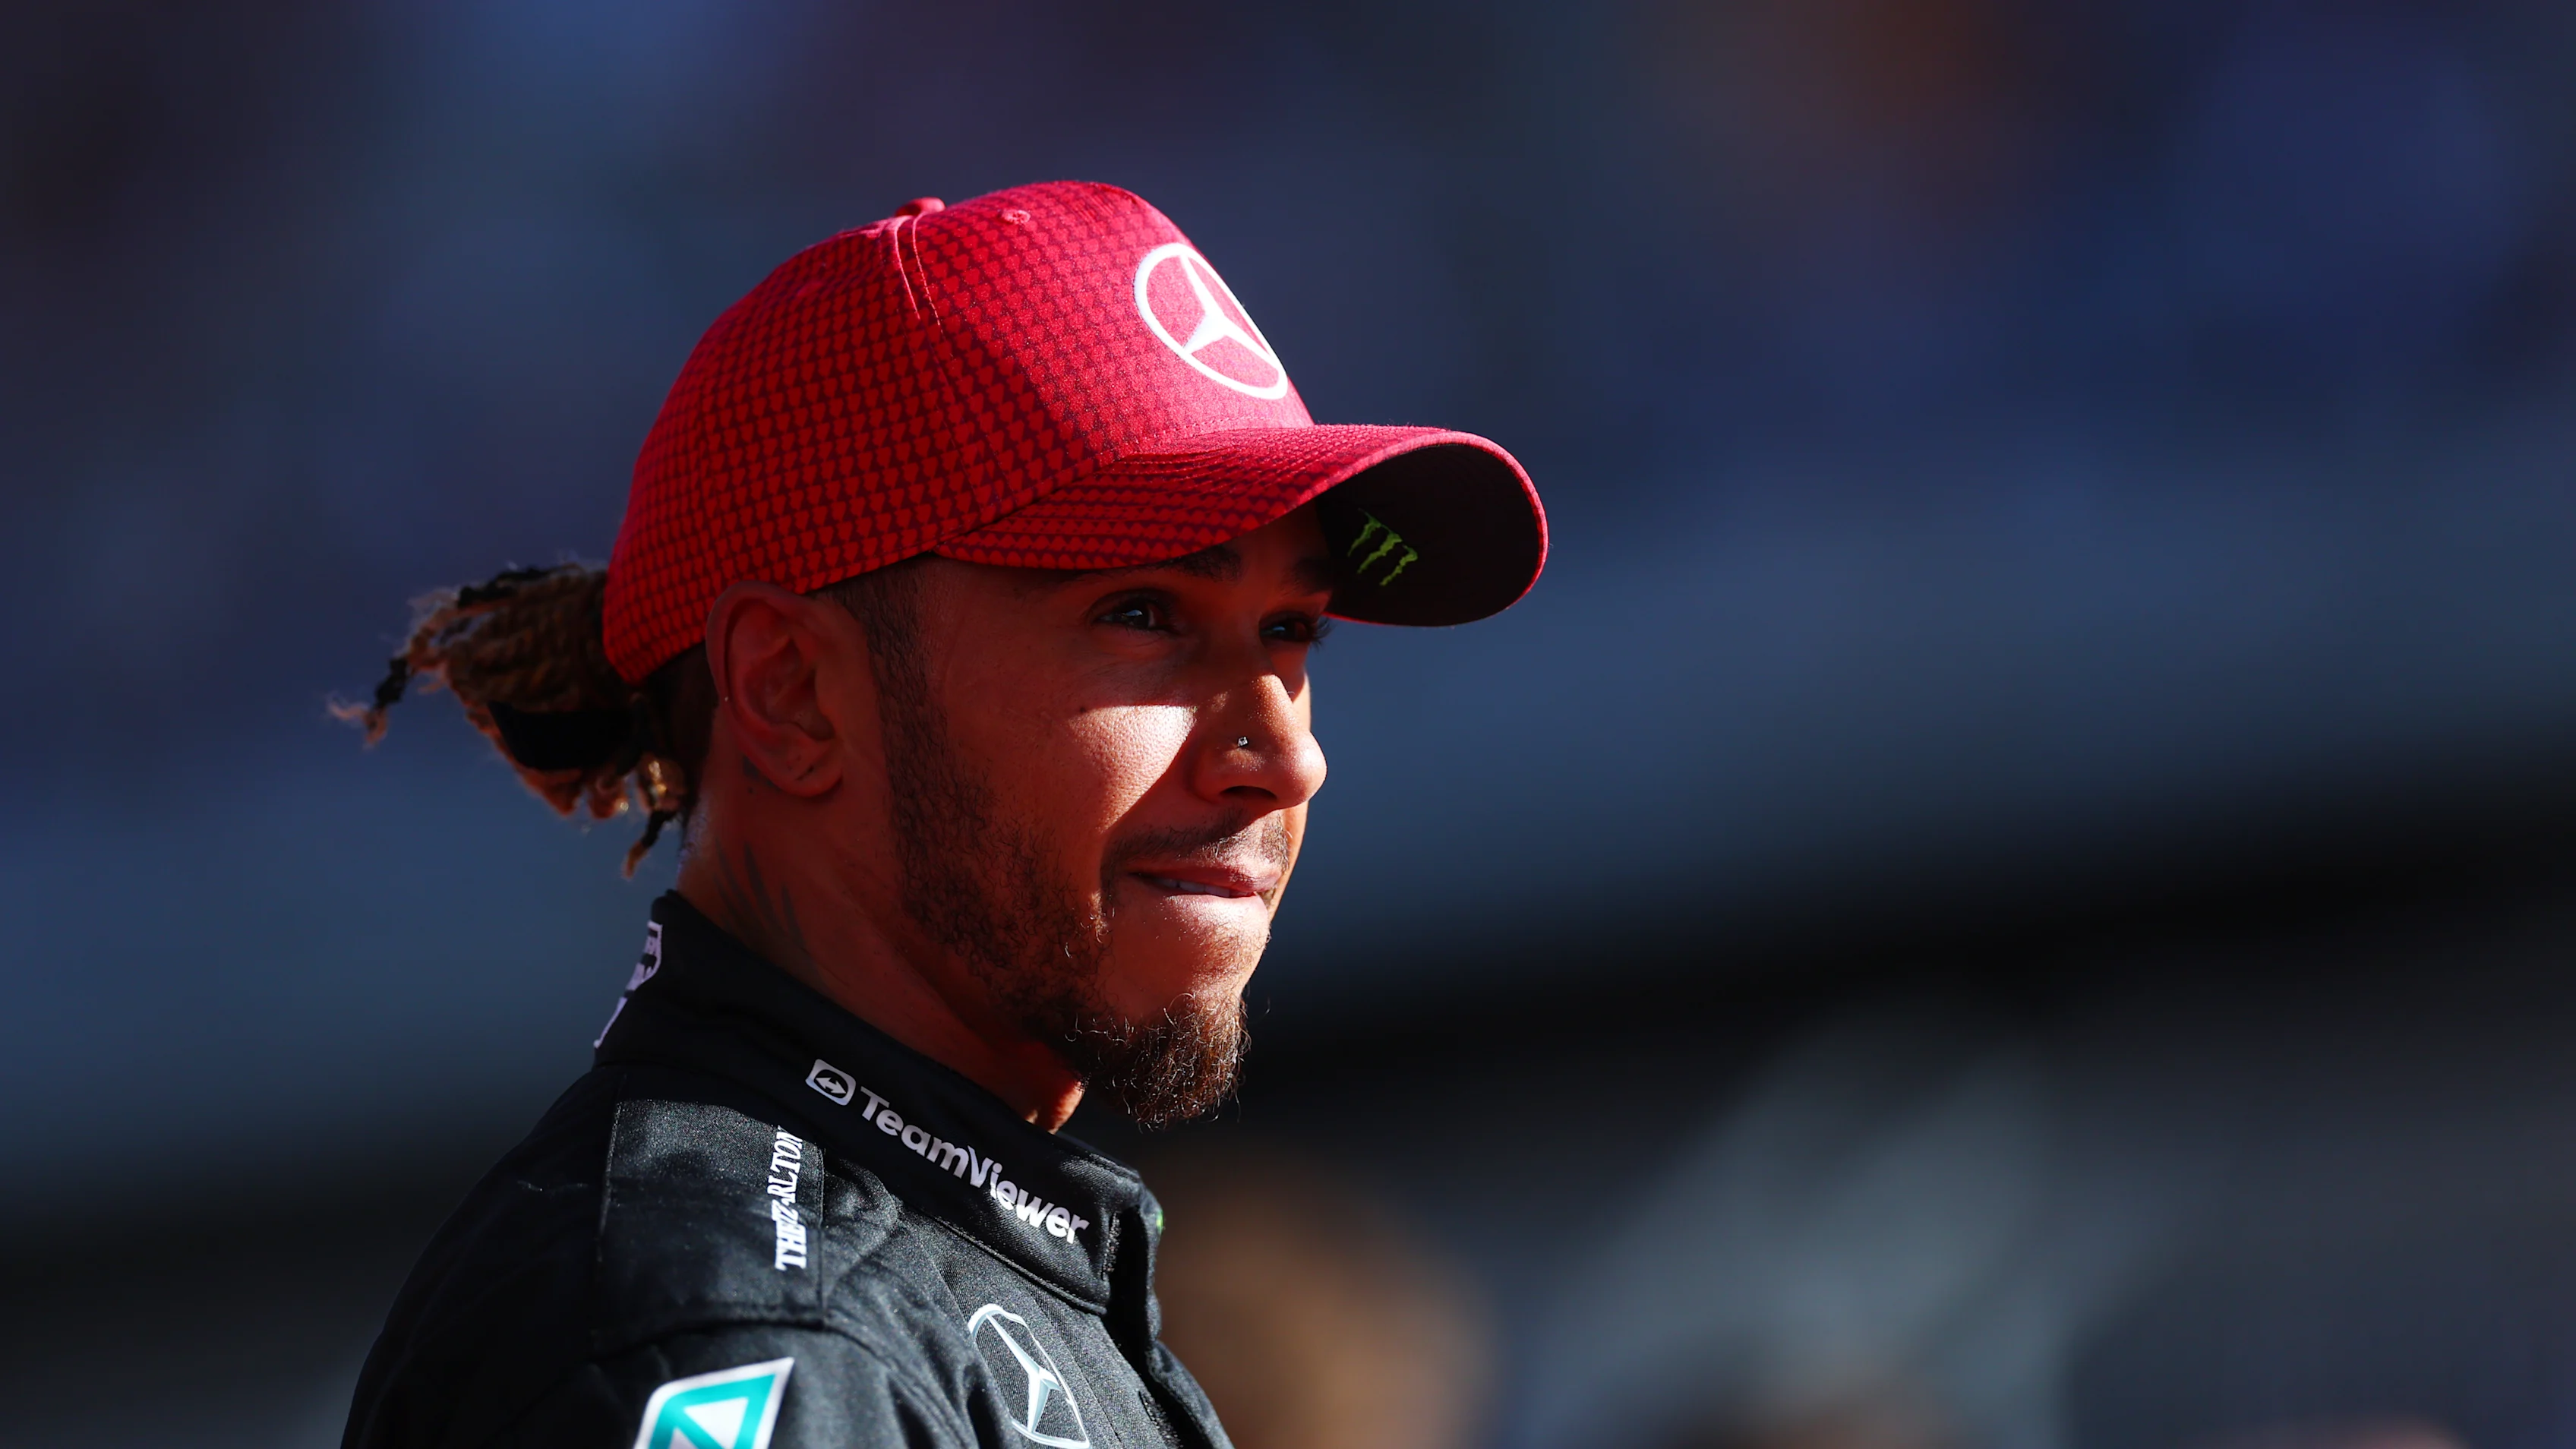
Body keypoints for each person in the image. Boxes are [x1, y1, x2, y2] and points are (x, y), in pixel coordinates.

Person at [335, 181, 1545, 1449]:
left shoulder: (925, 1276)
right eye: (1144, 615)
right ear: (793, 693)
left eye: (1291, 630)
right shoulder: (743, 1345)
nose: (1287, 757)